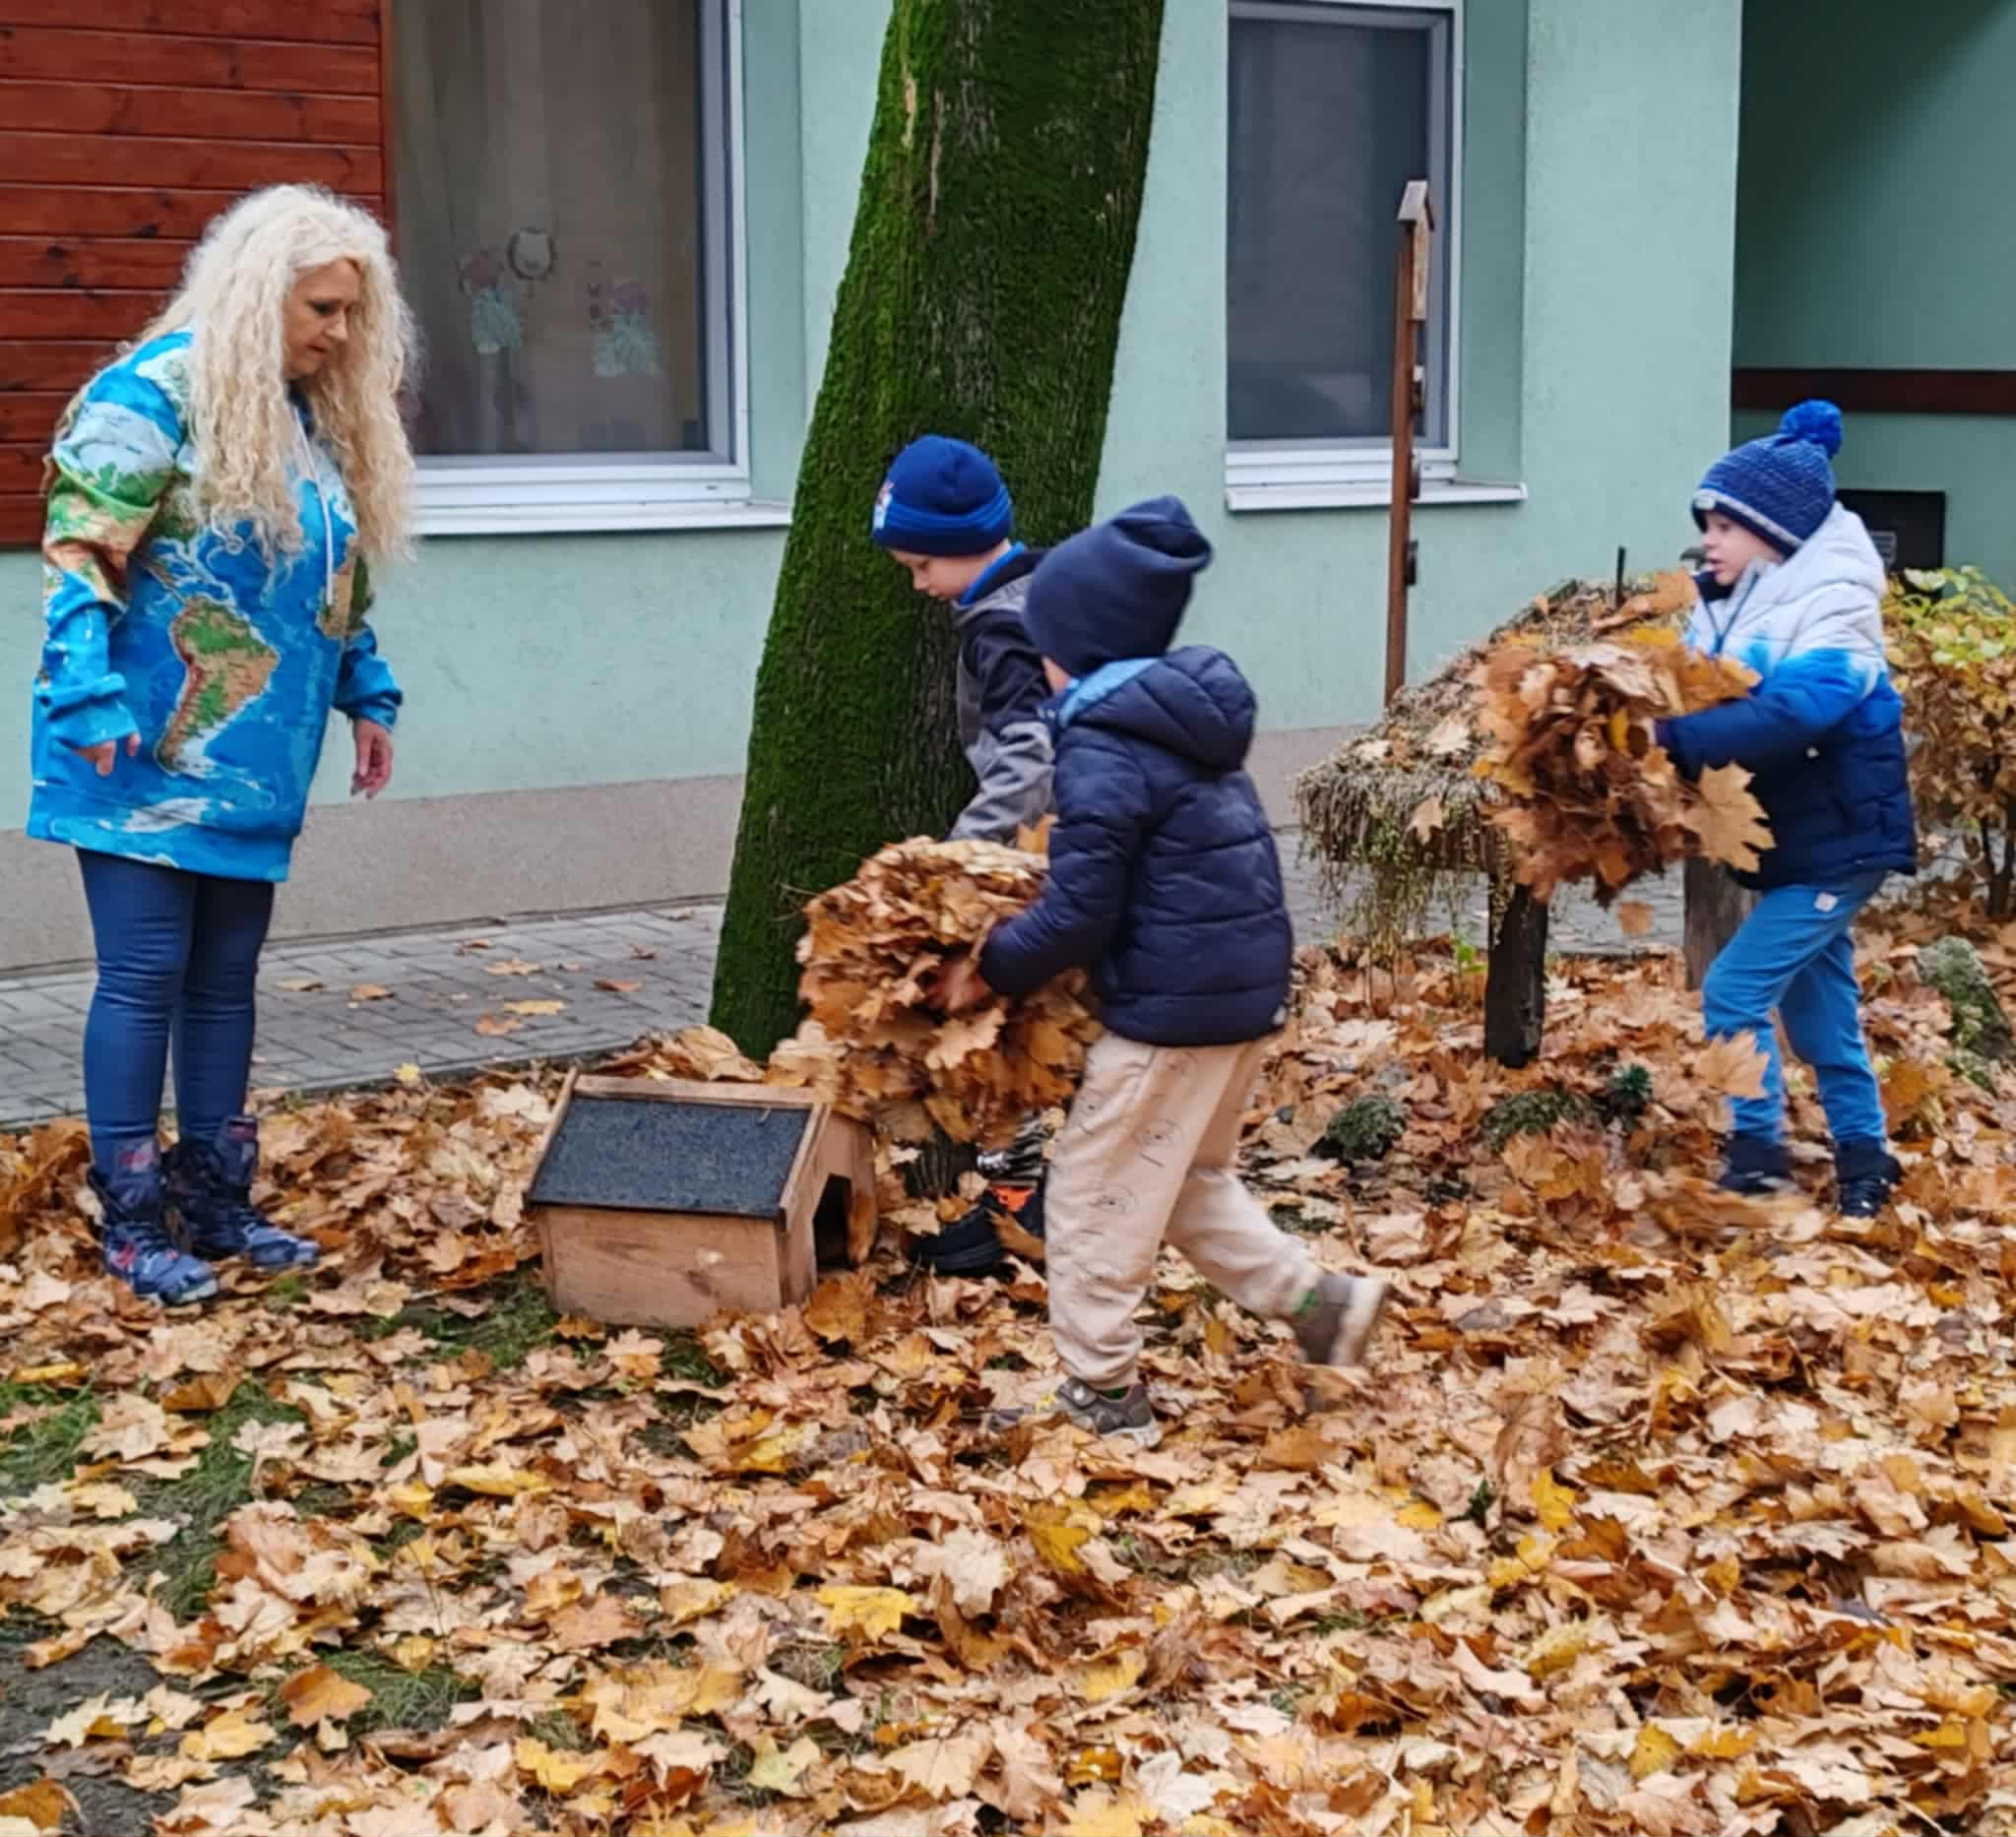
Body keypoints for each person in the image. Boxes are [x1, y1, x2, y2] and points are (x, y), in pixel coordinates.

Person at [29, 184, 415, 1303]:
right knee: (145, 974)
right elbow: (79, 558)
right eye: (322, 308)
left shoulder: (302, 423)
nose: (338, 333)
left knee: (225, 981)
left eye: (351, 313)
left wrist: (367, 691)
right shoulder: (148, 398)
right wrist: (85, 703)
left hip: (253, 764)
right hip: (138, 750)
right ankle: (133, 1220)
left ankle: (216, 1200)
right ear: (258, 295)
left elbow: (330, 580)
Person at [939, 496, 1388, 1443]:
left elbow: (1080, 909)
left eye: (1044, 640)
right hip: (1239, 997)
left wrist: (990, 968)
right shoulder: (1181, 727)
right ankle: (1319, 1307)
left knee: (1095, 1197)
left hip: (1168, 1015)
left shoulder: (1103, 748)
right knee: (1187, 1182)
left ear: (1075, 647)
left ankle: (1104, 1395)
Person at [1657, 401, 1916, 1216]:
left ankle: (1757, 1156)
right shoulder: (1739, 600)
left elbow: (1798, 712)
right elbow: (1699, 674)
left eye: (1725, 526)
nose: (1710, 541)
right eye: (1707, 524)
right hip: (1801, 848)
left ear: (1775, 529)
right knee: (1821, 1013)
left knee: (1733, 990)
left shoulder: (1835, 608)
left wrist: (1675, 740)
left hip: (1843, 843)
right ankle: (1866, 1159)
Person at [872, 435, 1055, 1275]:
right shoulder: (1042, 595)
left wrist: (959, 862)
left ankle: (1024, 1207)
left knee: (995, 1030)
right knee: (1007, 1034)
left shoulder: (998, 625)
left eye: (920, 565)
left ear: (958, 546)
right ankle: (1021, 1200)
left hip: (1034, 853)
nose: (919, 586)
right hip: (1048, 848)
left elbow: (1029, 755)